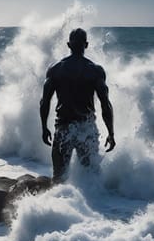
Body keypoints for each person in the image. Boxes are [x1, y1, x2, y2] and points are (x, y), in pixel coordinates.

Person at [40, 28, 115, 183]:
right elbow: (105, 104)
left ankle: (59, 205)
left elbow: (44, 101)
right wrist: (111, 133)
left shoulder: (56, 69)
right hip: (86, 130)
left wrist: (44, 127)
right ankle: (95, 204)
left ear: (69, 45)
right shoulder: (95, 71)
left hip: (63, 129)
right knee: (91, 179)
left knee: (59, 179)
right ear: (86, 45)